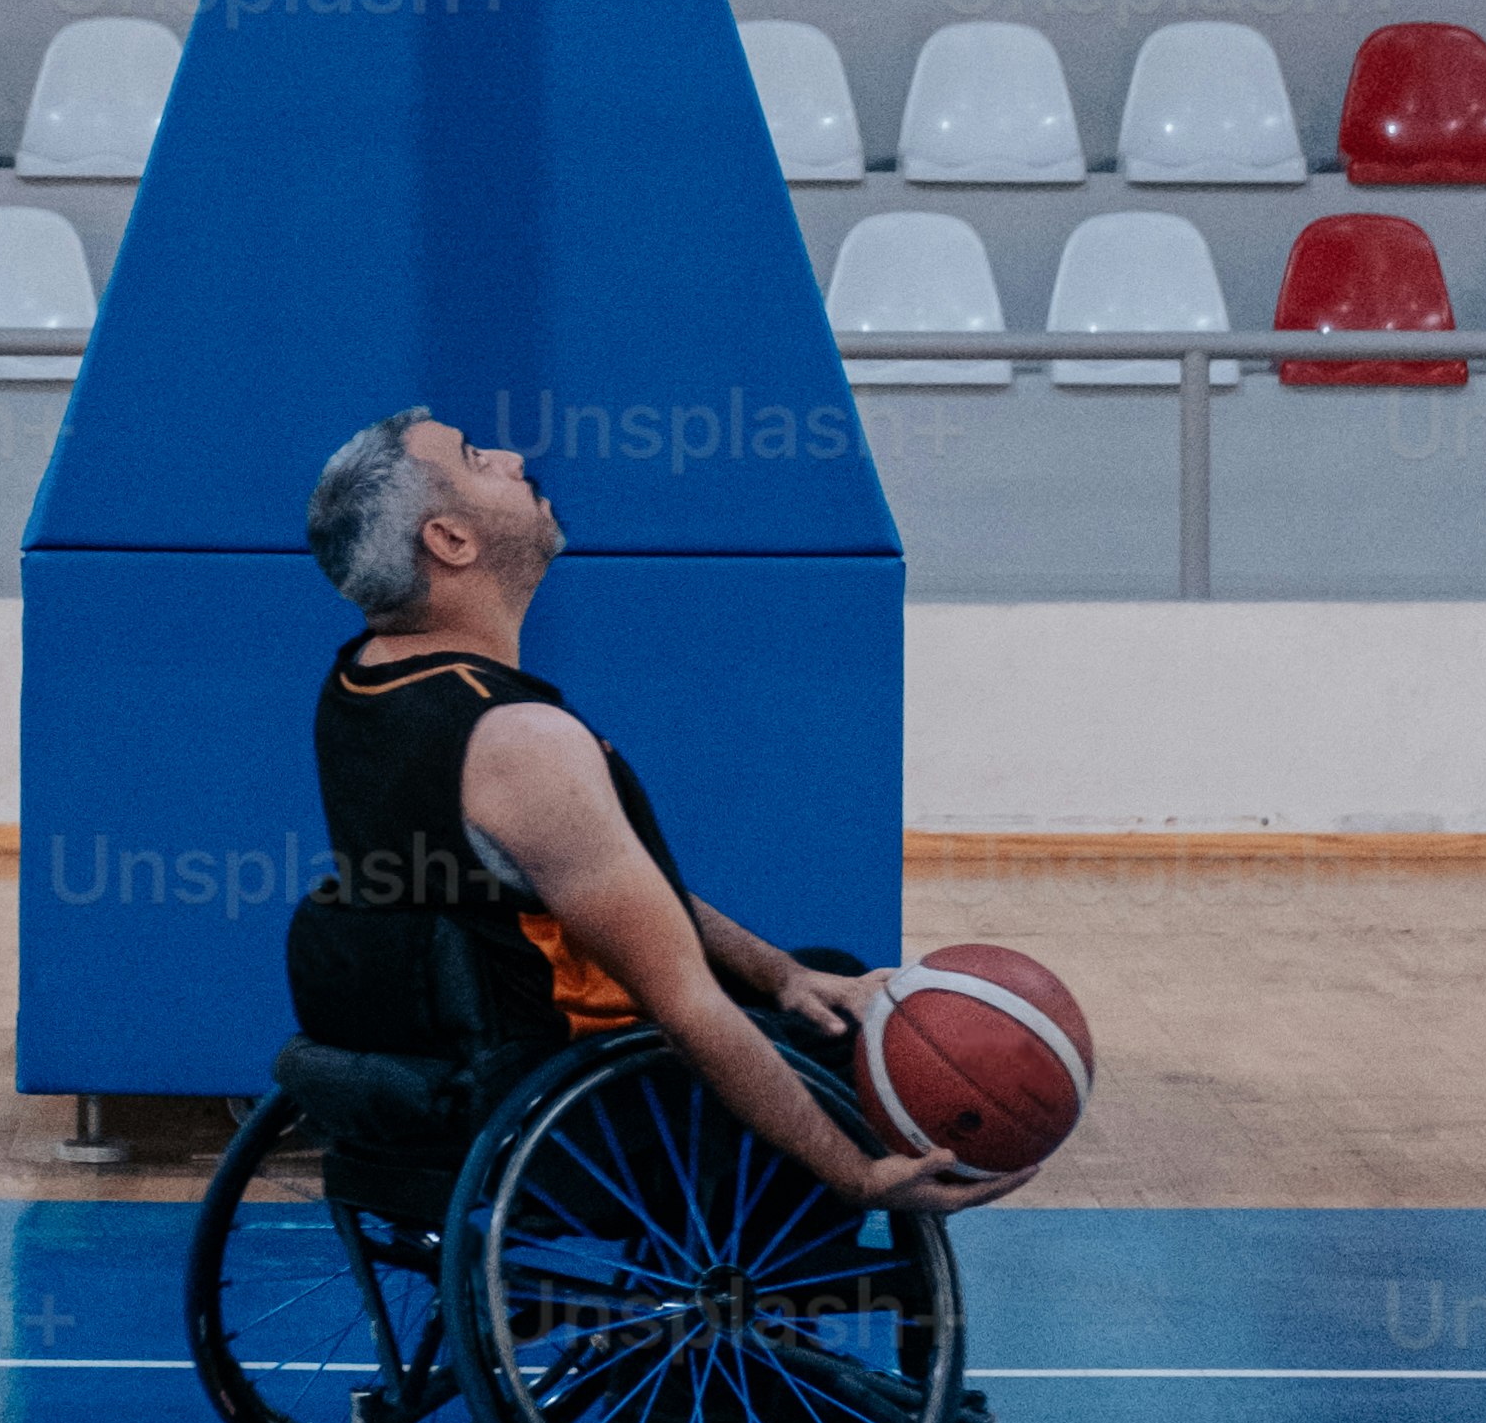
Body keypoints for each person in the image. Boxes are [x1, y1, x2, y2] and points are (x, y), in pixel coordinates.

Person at [290, 405, 991, 1212]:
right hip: (580, 1111)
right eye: (478, 458)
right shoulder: (520, 741)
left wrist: (782, 975)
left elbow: (599, 885)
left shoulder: (360, 683)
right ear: (450, 541)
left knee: (824, 974)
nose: (515, 456)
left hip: (445, 1075)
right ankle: (746, 1315)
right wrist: (857, 1173)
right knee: (875, 1044)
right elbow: (685, 1006)